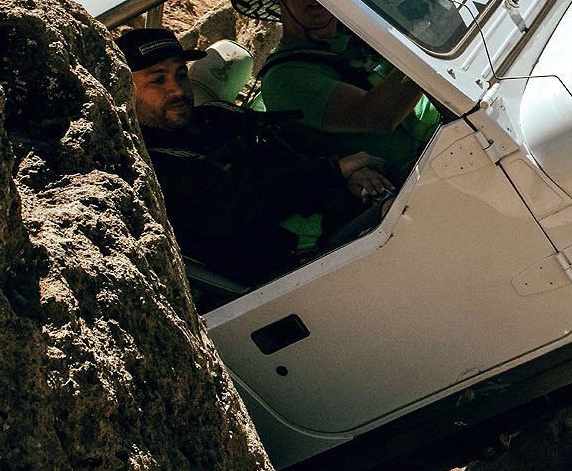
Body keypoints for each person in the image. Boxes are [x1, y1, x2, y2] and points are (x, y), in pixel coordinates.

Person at [118, 27, 393, 288]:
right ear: (124, 89)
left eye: (181, 74)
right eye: (157, 80)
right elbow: (240, 199)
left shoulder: (218, 116)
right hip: (305, 267)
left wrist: (352, 172)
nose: (177, 90)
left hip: (346, 218)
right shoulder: (149, 166)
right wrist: (334, 170)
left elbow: (298, 146)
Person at [231, 0, 440, 180]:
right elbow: (378, 116)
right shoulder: (284, 77)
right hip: (420, 170)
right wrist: (431, 41)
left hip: (449, 125)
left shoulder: (357, 31)